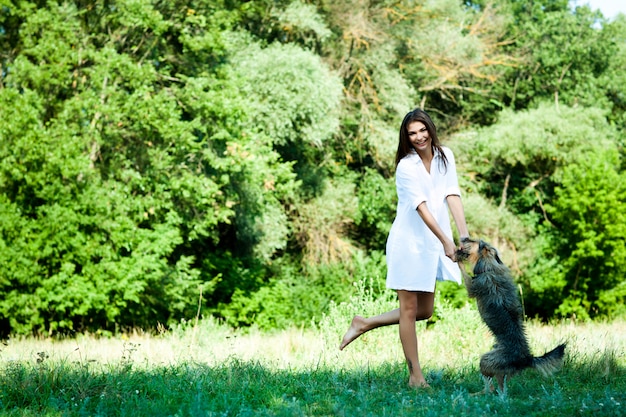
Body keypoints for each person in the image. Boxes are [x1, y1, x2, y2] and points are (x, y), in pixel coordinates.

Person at [339, 108, 469, 388]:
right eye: (412, 133)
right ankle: (415, 377)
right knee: (409, 309)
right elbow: (421, 207)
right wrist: (446, 241)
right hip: (409, 245)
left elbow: (452, 194)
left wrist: (464, 236)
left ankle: (364, 323)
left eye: (423, 130)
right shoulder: (406, 166)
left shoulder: (445, 156)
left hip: (431, 244)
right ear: (406, 138)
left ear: (431, 129)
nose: (419, 137)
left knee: (425, 311)